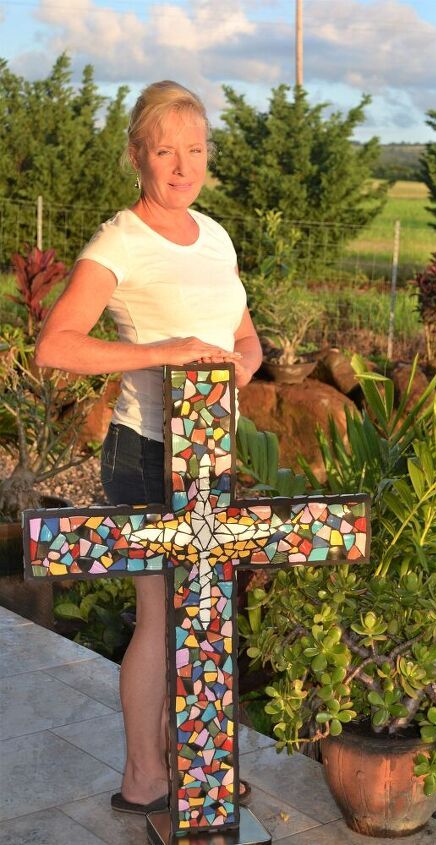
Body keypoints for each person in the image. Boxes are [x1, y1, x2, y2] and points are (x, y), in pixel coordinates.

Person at [35, 80, 262, 814]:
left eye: (194, 150)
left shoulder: (219, 235)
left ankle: (193, 765)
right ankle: (144, 776)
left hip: (210, 454)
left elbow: (245, 339)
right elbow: (56, 347)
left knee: (206, 615)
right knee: (163, 616)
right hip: (145, 451)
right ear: (138, 155)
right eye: (165, 150)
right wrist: (164, 353)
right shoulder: (119, 240)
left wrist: (234, 373)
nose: (181, 165)